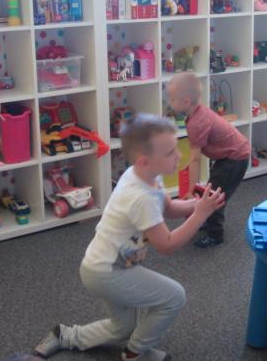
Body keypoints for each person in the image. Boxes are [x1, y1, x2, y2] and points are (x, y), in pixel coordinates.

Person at [33, 114, 225, 361]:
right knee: (174, 296)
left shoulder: (145, 175)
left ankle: (66, 335)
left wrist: (198, 204)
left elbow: (167, 207)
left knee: (123, 327)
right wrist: (200, 215)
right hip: (107, 272)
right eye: (170, 152)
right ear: (145, 160)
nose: (178, 155)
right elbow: (167, 245)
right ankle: (134, 353)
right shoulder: (141, 196)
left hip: (105, 264)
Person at [167, 72, 250, 248]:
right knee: (211, 191)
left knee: (214, 196)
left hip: (234, 158)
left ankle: (215, 234)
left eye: (172, 99)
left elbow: (195, 159)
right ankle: (206, 217)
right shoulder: (196, 114)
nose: (169, 102)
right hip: (227, 156)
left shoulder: (196, 123)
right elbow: (195, 157)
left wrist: (191, 188)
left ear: (186, 101)